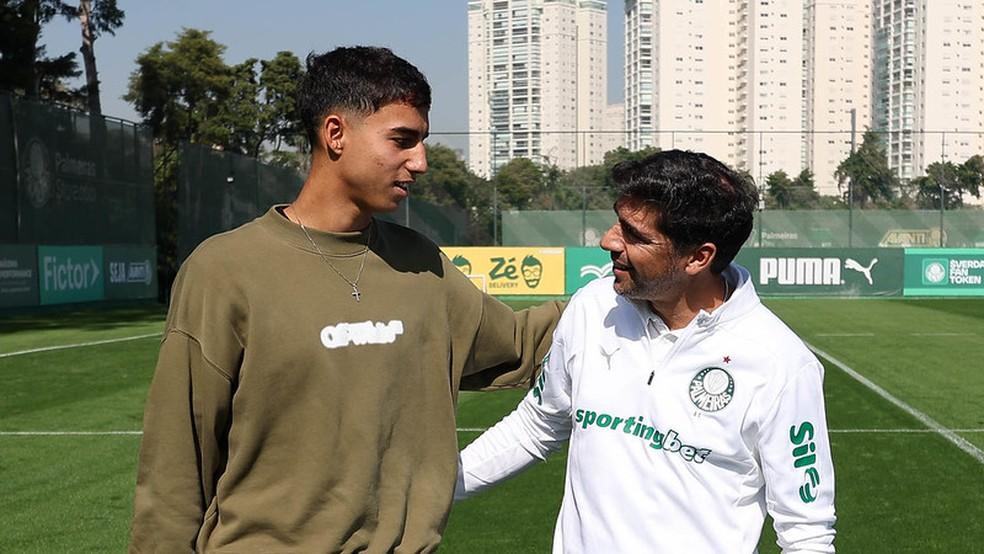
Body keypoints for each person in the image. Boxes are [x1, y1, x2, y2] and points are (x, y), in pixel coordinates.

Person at [129, 46, 561, 553]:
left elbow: (518, 344)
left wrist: (628, 283)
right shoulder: (224, 269)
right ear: (335, 134)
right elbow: (176, 465)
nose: (419, 162)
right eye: (402, 140)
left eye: (422, 142)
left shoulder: (421, 263)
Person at [455, 150, 836, 553]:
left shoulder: (781, 363)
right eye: (618, 223)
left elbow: (805, 531)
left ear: (698, 257)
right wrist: (431, 491)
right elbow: (537, 426)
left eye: (635, 235)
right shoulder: (592, 306)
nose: (608, 241)